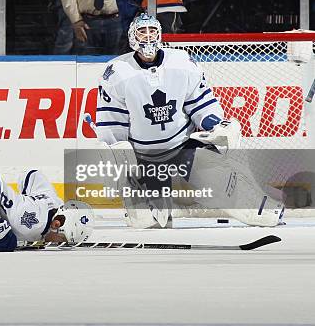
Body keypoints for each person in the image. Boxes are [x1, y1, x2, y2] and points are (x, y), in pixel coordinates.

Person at [94, 13, 285, 228]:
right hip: (144, 156)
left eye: (152, 31)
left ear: (160, 35)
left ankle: (261, 207)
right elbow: (112, 121)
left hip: (182, 145)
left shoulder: (182, 62)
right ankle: (148, 207)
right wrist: (117, 153)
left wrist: (214, 124)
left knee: (222, 183)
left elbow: (200, 102)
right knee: (150, 224)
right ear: (132, 37)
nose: (147, 37)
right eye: (142, 32)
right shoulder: (117, 72)